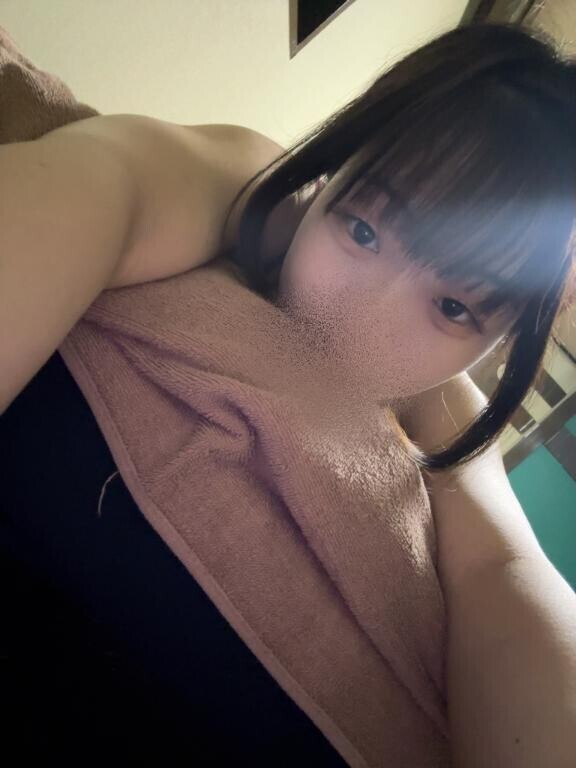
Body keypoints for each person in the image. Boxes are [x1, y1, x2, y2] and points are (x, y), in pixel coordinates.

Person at [1, 21, 575, 766]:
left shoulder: (450, 410)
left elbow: (503, 570)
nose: (363, 321)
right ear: (334, 171)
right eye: (364, 231)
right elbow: (110, 179)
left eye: (454, 307)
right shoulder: (254, 186)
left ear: (500, 344)